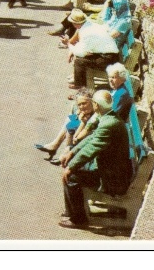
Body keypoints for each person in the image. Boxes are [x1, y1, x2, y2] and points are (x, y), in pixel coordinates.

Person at [58, 89, 134, 228]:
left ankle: (78, 219)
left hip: (113, 179)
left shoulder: (108, 124)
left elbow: (92, 149)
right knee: (74, 170)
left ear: (96, 105)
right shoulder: (108, 117)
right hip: (114, 171)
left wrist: (71, 167)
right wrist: (73, 153)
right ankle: (71, 211)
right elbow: (92, 139)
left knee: (72, 177)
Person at [64, 0, 131, 89]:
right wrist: (74, 48)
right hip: (109, 55)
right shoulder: (90, 24)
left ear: (75, 24)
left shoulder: (86, 33)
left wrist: (70, 46)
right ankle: (78, 80)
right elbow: (84, 46)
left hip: (108, 60)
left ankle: (81, 87)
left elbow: (81, 52)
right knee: (82, 57)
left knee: (79, 61)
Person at [34, 88, 96, 165]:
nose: (82, 107)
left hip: (88, 135)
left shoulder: (95, 115)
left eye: (84, 103)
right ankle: (57, 147)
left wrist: (83, 122)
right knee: (71, 121)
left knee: (72, 125)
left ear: (92, 102)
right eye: (79, 104)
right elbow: (72, 117)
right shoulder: (82, 110)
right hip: (80, 130)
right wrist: (76, 114)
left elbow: (77, 138)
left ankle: (64, 152)